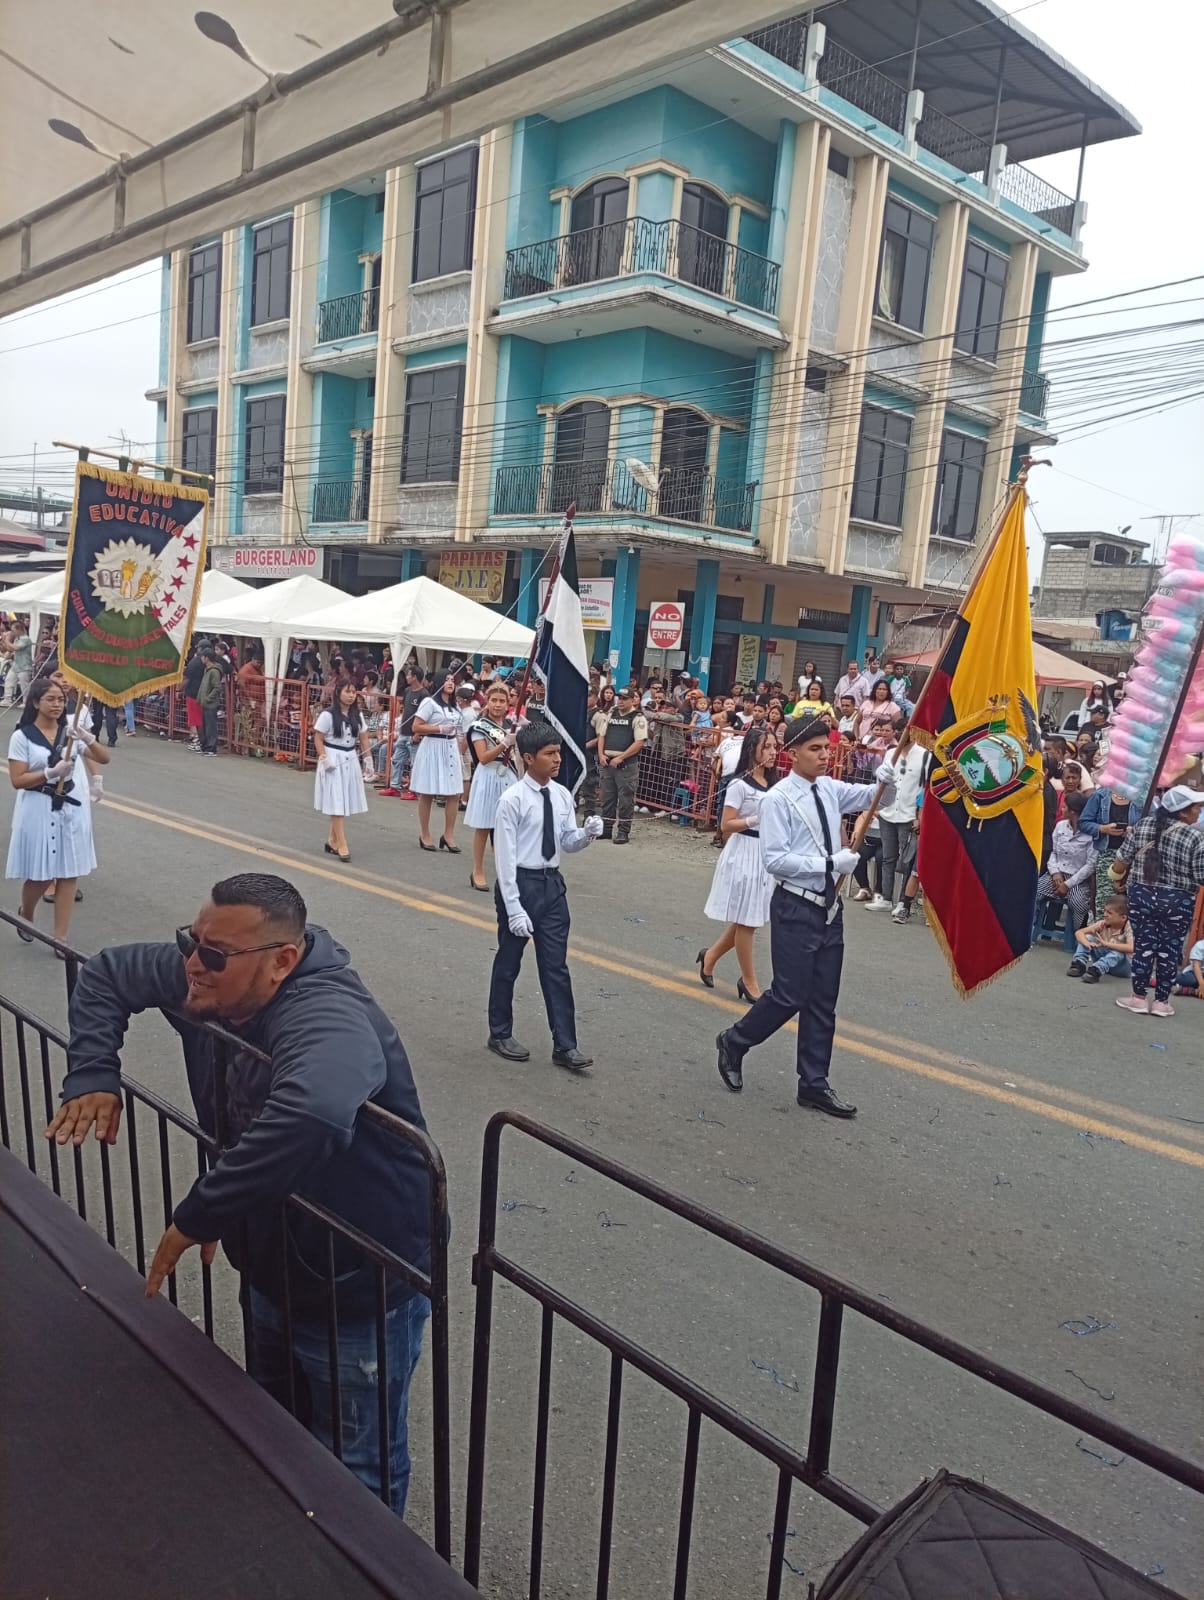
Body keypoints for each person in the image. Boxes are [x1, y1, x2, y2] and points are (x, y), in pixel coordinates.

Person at [44, 872, 434, 1516]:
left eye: (215, 954)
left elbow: (313, 1110)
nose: (193, 965)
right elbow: (108, 973)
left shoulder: (326, 1013)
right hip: (271, 1262)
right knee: (271, 1427)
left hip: (357, 1285)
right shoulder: (208, 977)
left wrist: (202, 1213)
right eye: (191, 941)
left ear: (282, 961)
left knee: (358, 1471)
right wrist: (93, 1073)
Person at [715, 715, 893, 1118]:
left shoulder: (829, 788)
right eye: (815, 749)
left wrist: (889, 778)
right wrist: (830, 862)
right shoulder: (777, 799)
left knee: (822, 1001)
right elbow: (776, 861)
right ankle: (735, 1040)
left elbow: (873, 797)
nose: (825, 755)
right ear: (792, 753)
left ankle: (813, 1083)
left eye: (827, 748)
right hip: (795, 904)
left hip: (829, 907)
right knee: (789, 994)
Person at [486, 724, 603, 1070]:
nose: (557, 759)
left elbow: (566, 841)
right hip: (521, 883)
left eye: (558, 752)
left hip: (552, 886)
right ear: (528, 758)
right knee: (509, 961)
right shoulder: (512, 800)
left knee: (556, 967)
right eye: (549, 754)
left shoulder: (561, 795)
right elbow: (504, 857)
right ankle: (499, 1032)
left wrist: (586, 834)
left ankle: (565, 1045)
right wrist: (514, 907)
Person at [7, 677, 110, 946]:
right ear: (35, 702)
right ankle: (26, 914)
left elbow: (103, 757)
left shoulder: (70, 732)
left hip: (70, 807)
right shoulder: (22, 736)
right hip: (39, 807)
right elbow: (17, 779)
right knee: (41, 875)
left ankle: (60, 937)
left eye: (61, 700)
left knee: (68, 872)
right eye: (50, 699)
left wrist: (87, 737)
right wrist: (49, 773)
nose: (57, 705)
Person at [697, 727, 778, 999]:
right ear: (753, 749)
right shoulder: (739, 784)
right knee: (747, 920)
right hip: (744, 850)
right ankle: (749, 980)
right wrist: (753, 820)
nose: (772, 752)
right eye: (766, 747)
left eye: (774, 747)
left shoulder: (773, 784)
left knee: (749, 918)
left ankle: (710, 957)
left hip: (764, 853)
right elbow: (726, 825)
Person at [1114, 784, 1204, 1017]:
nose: (1199, 811)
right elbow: (1201, 876)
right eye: (1197, 807)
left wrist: (1116, 877)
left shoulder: (1142, 825)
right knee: (1170, 949)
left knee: (1143, 946)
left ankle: (1138, 998)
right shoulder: (1195, 836)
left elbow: (1121, 861)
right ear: (1183, 811)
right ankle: (1162, 1002)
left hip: (1142, 894)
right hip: (1179, 900)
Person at [465, 683, 519, 892]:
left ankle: (506, 870)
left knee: (508, 826)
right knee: (484, 825)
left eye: (502, 701)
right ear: (487, 701)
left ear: (508, 703)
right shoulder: (480, 726)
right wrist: (504, 744)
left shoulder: (511, 724)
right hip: (488, 775)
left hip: (508, 776)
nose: (498, 704)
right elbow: (483, 758)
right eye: (494, 700)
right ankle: (477, 870)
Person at [312, 679, 371, 864]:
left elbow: (364, 738)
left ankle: (332, 839)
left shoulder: (357, 715)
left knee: (343, 798)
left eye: (354, 692)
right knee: (336, 799)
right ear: (338, 693)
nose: (351, 696)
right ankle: (342, 843)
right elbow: (318, 738)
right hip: (332, 757)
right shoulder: (328, 715)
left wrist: (368, 760)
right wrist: (324, 757)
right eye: (347, 692)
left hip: (350, 757)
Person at [876, 730, 928, 919]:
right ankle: (886, 898)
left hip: (909, 814)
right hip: (888, 812)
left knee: (907, 861)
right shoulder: (891, 753)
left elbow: (925, 786)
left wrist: (918, 815)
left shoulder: (924, 755)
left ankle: (902, 902)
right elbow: (883, 780)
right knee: (887, 857)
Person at [411, 671, 464, 852]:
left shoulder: (454, 706)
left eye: (452, 680)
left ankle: (448, 834)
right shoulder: (430, 702)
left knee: (454, 793)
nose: (450, 683)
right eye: (447, 680)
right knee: (427, 792)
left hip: (450, 747)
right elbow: (416, 726)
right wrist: (439, 728)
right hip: (433, 746)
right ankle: (425, 834)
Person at [1034, 791, 1094, 939]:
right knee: (1034, 893)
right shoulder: (1060, 826)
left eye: (1065, 807)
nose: (1062, 809)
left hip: (1077, 880)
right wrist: (1055, 873)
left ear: (1073, 812)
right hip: (1056, 875)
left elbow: (1090, 865)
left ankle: (1078, 937)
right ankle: (1028, 930)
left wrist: (1067, 884)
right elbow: (1053, 852)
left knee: (1078, 903)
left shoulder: (1090, 833)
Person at [596, 685, 647, 845]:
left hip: (626, 765)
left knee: (625, 799)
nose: (621, 701)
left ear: (632, 700)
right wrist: (601, 754)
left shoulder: (638, 718)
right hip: (607, 763)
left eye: (625, 699)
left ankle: (623, 831)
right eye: (620, 698)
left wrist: (621, 757)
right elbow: (602, 735)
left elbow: (639, 743)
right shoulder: (611, 714)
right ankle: (606, 829)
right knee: (607, 798)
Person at [1080, 787, 1133, 915]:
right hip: (1107, 855)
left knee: (1130, 906)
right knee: (1105, 903)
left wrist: (1134, 831)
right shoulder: (1100, 795)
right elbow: (1084, 822)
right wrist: (1103, 829)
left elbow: (1151, 824)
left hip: (1134, 857)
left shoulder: (1143, 798)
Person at [380, 664, 427, 799]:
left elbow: (426, 716)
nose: (406, 677)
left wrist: (418, 734)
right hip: (404, 732)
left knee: (415, 763)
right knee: (397, 759)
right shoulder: (407, 691)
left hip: (414, 734)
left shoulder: (424, 695)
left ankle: (414, 789)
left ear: (415, 677)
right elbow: (405, 710)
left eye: (409, 675)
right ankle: (394, 786)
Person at [1067, 894, 1133, 983]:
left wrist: (1107, 944)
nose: (1105, 915)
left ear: (1123, 917)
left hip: (1123, 968)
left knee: (1119, 952)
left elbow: (1131, 947)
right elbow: (1079, 933)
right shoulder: (1103, 924)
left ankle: (1096, 971)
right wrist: (1087, 943)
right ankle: (1079, 964)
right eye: (1104, 911)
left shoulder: (1128, 927)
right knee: (1088, 937)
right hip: (1105, 961)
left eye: (1109, 913)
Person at [196, 647, 224, 755]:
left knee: (210, 726)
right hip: (205, 702)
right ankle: (206, 746)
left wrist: (208, 698)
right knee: (205, 726)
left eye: (203, 657)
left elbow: (217, 688)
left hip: (210, 703)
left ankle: (211, 748)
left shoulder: (214, 672)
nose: (201, 658)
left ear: (207, 658)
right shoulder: (207, 670)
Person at [6, 616, 33, 705]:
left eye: (13, 630)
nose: (12, 632)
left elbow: (17, 648)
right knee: (9, 680)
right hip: (16, 665)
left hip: (24, 666)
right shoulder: (17, 639)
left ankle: (26, 702)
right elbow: (11, 649)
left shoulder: (26, 639)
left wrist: (7, 641)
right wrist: (7, 642)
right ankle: (7, 699)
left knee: (24, 685)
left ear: (18, 629)